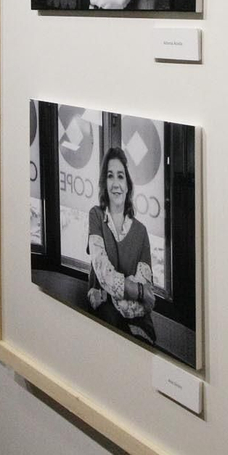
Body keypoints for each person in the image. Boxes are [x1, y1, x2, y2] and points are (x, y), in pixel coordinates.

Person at [84, 146, 156, 343]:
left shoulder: (141, 232)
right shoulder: (96, 216)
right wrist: (136, 291)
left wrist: (108, 295)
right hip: (108, 322)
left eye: (120, 176)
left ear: (128, 184)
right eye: (110, 176)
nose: (116, 183)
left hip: (141, 326)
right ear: (104, 183)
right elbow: (102, 272)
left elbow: (147, 300)